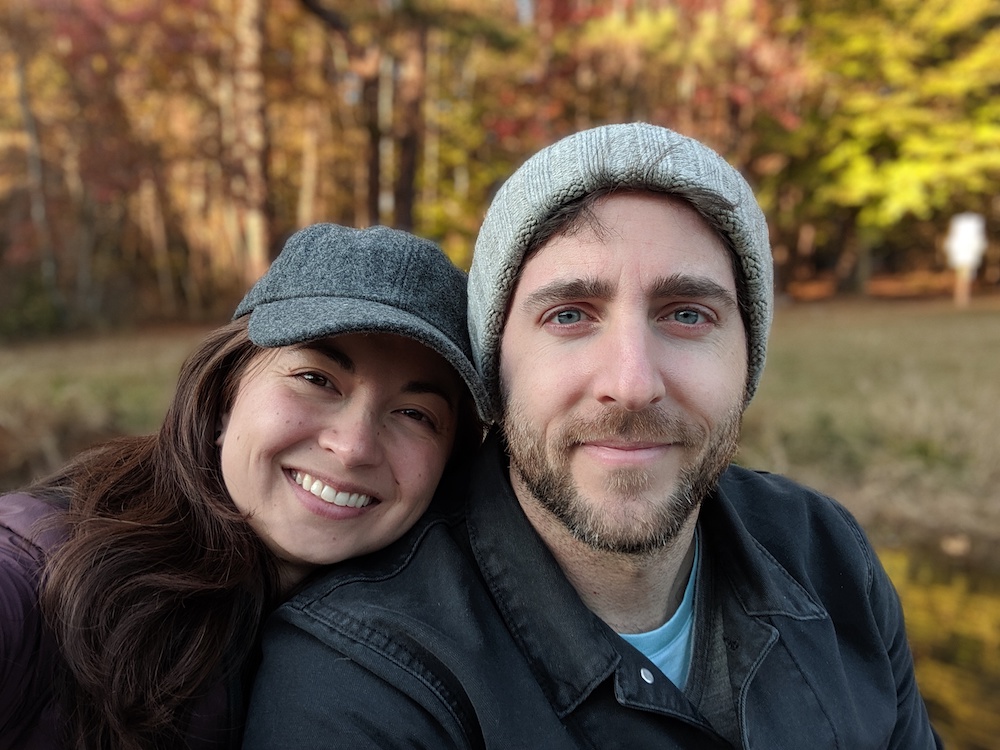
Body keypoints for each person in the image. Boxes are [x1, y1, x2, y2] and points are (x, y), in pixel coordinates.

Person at [242, 124, 942, 748]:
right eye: (571, 315)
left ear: (747, 363)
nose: (632, 383)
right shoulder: (362, 677)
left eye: (689, 314)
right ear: (495, 369)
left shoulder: (828, 555)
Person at [0, 222, 488, 749]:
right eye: (316, 379)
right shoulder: (42, 570)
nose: (353, 447)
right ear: (224, 394)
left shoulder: (431, 646)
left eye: (414, 413)